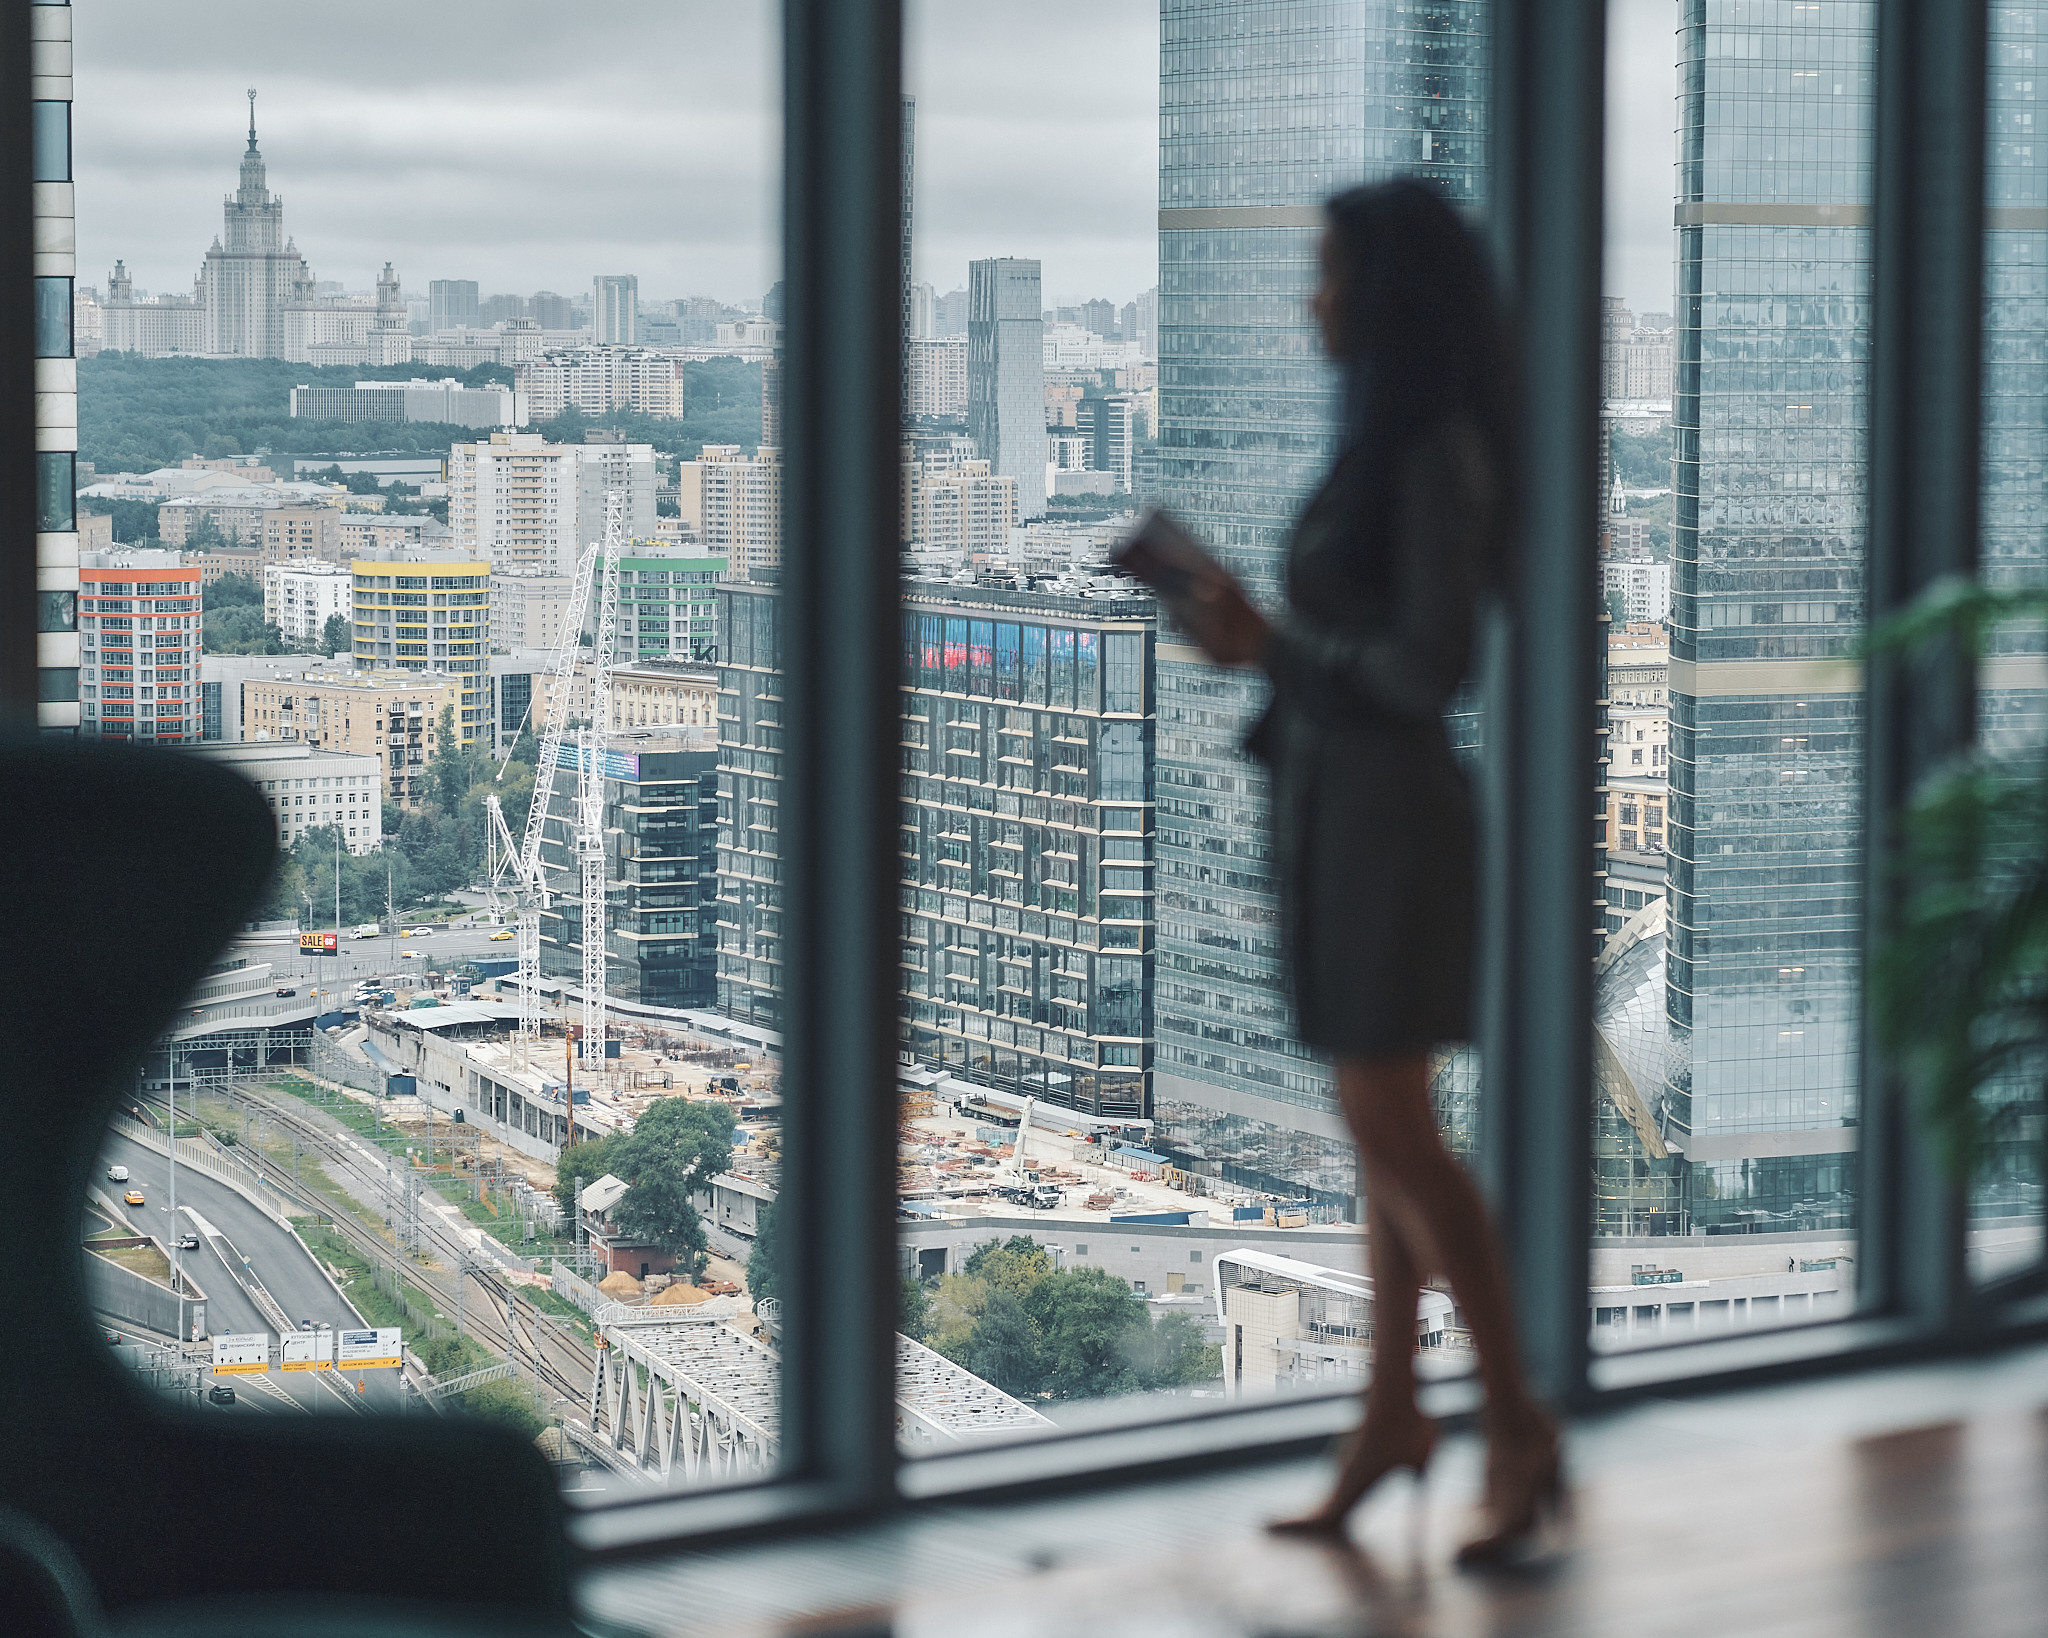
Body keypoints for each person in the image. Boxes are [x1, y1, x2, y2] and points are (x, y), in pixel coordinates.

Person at [1129, 179, 1561, 1562]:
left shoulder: (1433, 452)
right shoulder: (1383, 445)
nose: (1307, 299)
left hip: (1393, 826)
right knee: (1384, 1136)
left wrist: (1273, 649)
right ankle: (1390, 1412)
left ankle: (1515, 1423)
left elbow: (1431, 669)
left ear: (1383, 298)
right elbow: (1348, 658)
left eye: (1324, 275)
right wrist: (1254, 649)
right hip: (1339, 811)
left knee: (1398, 1133)